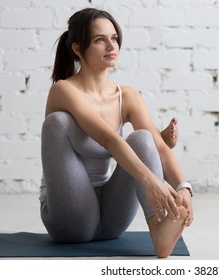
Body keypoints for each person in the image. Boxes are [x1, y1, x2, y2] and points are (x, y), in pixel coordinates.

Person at [39, 8, 193, 258]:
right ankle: (151, 192)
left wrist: (184, 188)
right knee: (56, 122)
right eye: (100, 40)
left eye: (114, 38)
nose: (111, 45)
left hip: (112, 219)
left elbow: (159, 148)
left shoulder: (127, 96)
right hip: (69, 220)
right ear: (78, 49)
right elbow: (108, 140)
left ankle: (158, 230)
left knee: (143, 138)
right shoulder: (63, 90)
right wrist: (152, 181)